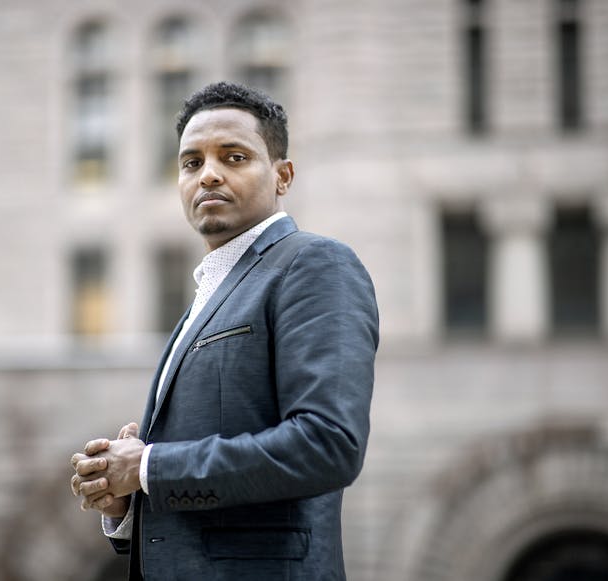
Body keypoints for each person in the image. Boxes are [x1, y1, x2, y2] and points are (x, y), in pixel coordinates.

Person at [70, 81, 379, 580]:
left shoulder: (315, 264)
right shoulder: (209, 294)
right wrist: (127, 497)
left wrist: (150, 466)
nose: (208, 174)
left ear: (283, 175)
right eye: (191, 163)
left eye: (233, 157)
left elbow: (328, 444)